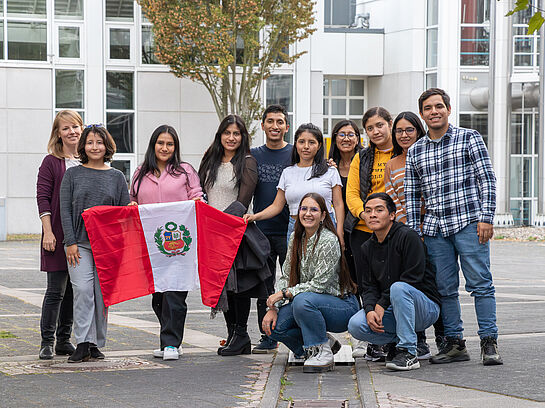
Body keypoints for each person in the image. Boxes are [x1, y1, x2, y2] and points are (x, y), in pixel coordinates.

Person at [405, 88, 503, 366]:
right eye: (428, 108)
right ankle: (455, 343)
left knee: (481, 285)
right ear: (422, 114)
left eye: (439, 106)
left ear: (448, 109)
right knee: (445, 289)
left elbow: (488, 179)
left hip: (470, 223)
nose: (434, 111)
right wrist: (416, 232)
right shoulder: (416, 150)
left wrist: (486, 217)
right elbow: (412, 196)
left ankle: (489, 342)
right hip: (435, 230)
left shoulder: (469, 138)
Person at [262, 193, 359, 373]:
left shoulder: (329, 240)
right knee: (274, 328)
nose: (308, 213)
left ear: (323, 216)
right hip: (309, 302)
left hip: (341, 306)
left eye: (314, 209)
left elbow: (319, 285)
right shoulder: (295, 238)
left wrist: (284, 294)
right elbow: (286, 275)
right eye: (304, 209)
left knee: (302, 301)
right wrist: (274, 308)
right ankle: (321, 344)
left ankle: (321, 350)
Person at [130, 125, 203, 361]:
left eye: (170, 144)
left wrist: (197, 205)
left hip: (179, 245)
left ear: (175, 147)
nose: (165, 148)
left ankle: (170, 343)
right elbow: (132, 200)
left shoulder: (185, 171)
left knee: (175, 293)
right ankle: (170, 337)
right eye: (160, 143)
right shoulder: (141, 173)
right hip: (152, 247)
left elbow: (197, 198)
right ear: (153, 145)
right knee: (158, 296)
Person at [60, 124, 130, 363]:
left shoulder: (117, 177)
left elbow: (123, 215)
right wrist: (70, 242)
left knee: (102, 294)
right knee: (82, 290)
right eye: (90, 142)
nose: (94, 147)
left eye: (99, 142)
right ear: (83, 146)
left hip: (107, 246)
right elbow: (65, 211)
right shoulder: (72, 175)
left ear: (106, 146)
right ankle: (81, 342)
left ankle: (95, 343)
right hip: (79, 244)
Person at [347, 193, 440, 371]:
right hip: (393, 309)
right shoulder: (366, 247)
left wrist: (382, 303)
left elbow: (413, 277)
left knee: (399, 288)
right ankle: (396, 344)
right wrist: (369, 310)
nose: (372, 214)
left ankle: (409, 352)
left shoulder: (408, 237)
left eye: (379, 210)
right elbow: (368, 287)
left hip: (424, 308)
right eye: (368, 211)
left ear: (392, 215)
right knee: (356, 325)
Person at [384, 111, 445, 358]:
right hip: (407, 234)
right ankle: (418, 340)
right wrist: (408, 233)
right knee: (410, 283)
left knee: (438, 284)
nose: (404, 135)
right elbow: (394, 201)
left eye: (409, 129)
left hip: (433, 229)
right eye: (399, 131)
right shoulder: (392, 164)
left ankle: (445, 337)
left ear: (418, 130)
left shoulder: (429, 154)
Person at [198, 114, 259, 356]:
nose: (231, 138)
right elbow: (201, 192)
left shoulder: (247, 162)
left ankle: (241, 333)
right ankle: (232, 333)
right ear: (220, 135)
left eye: (236, 133)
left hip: (235, 231)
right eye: (227, 133)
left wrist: (224, 224)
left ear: (243, 137)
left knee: (238, 286)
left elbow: (243, 200)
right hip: (211, 232)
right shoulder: (210, 160)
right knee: (221, 284)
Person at [244, 123, 345, 249]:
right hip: (295, 228)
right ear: (296, 144)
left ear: (319, 146)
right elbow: (276, 206)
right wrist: (254, 217)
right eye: (301, 142)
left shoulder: (330, 171)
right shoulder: (288, 172)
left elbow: (338, 204)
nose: (306, 147)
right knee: (295, 268)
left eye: (312, 142)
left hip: (324, 227)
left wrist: (339, 231)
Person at [346, 107, 394, 360]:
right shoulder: (361, 158)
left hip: (394, 231)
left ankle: (396, 336)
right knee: (367, 286)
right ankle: (372, 339)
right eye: (370, 128)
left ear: (390, 124)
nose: (376, 131)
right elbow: (352, 193)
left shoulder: (404, 151)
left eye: (380, 125)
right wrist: (365, 215)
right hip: (363, 232)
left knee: (393, 283)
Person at [36, 110, 82, 360]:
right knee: (56, 290)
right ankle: (47, 341)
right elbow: (43, 197)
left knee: (74, 290)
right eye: (65, 128)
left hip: (82, 237)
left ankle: (65, 340)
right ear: (58, 133)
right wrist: (48, 232)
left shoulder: (88, 160)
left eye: (75, 126)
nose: (71, 131)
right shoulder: (51, 162)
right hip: (57, 234)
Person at [250, 105, 293, 354]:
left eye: (280, 122)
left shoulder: (294, 153)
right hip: (261, 231)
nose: (275, 126)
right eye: (270, 121)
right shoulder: (253, 155)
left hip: (290, 232)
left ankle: (290, 332)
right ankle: (267, 337)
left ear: (286, 126)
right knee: (263, 287)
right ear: (263, 125)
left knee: (291, 286)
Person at [327, 120, 364, 290]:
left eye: (351, 135)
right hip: (337, 227)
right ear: (335, 138)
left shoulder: (365, 162)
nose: (346, 139)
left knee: (363, 275)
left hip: (362, 225)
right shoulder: (328, 166)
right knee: (344, 276)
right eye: (342, 134)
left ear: (358, 139)